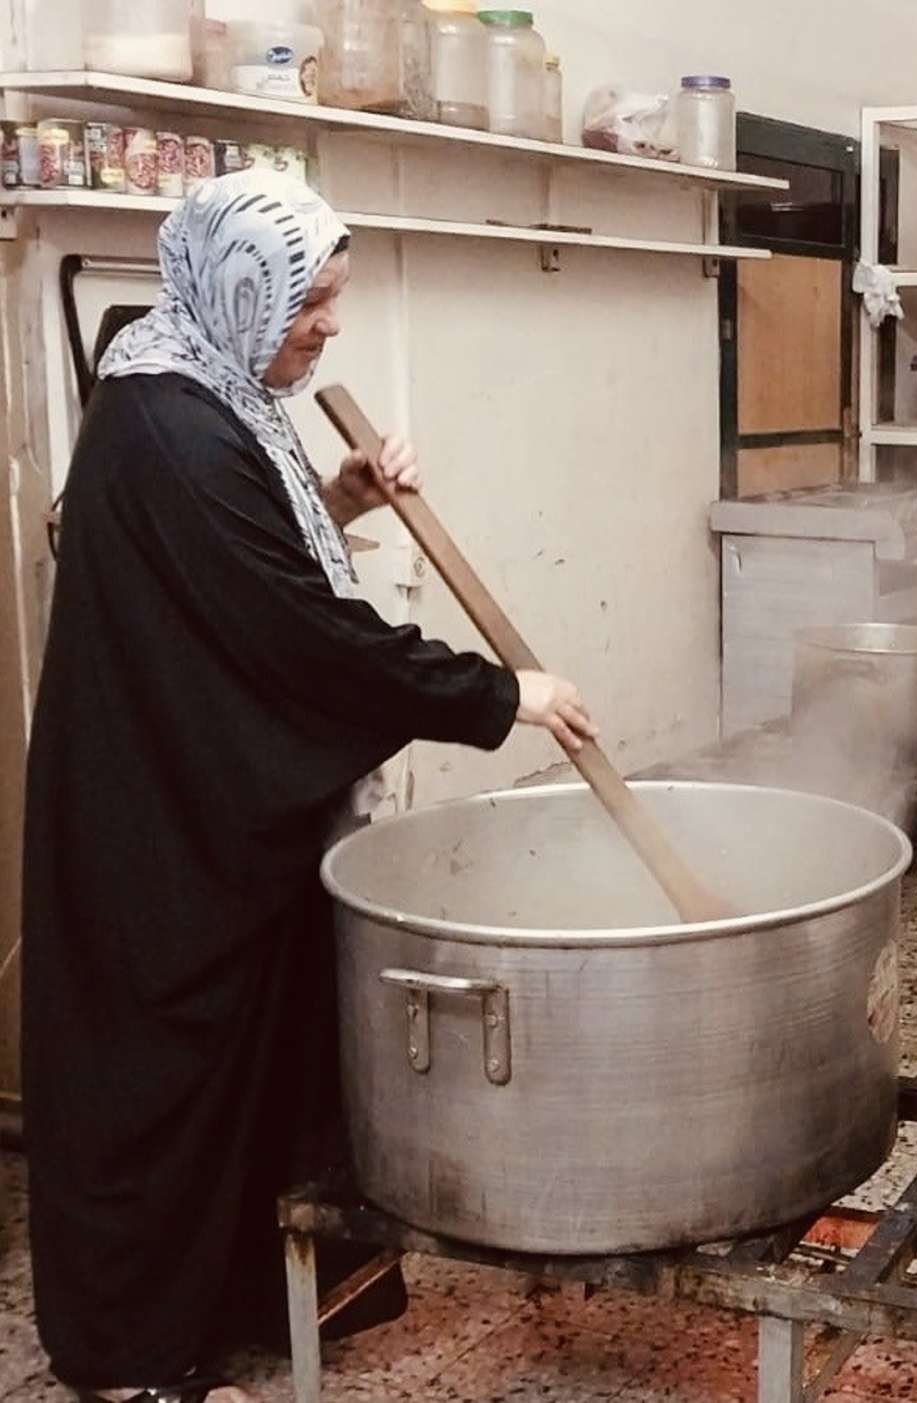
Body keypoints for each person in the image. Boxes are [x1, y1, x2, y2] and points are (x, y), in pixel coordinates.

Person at [21, 170, 595, 1403]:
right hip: (160, 819)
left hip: (196, 800)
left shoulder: (200, 383)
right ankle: (127, 1363)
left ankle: (242, 1305)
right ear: (240, 291)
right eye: (311, 301)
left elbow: (254, 563)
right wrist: (504, 695)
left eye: (330, 298)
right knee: (163, 1086)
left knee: (255, 1063)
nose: (330, 325)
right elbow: (301, 637)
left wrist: (340, 495)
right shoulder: (170, 425)